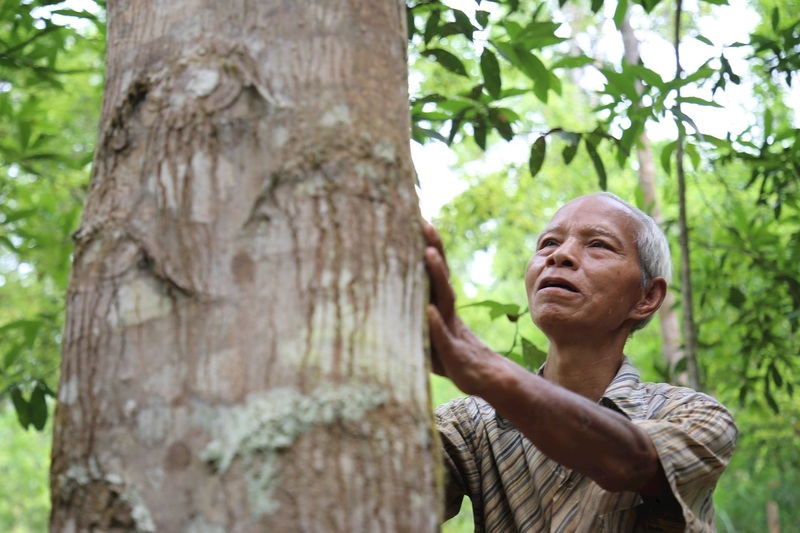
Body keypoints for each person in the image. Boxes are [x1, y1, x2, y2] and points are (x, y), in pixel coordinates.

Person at [423, 192, 737, 532]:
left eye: (599, 245)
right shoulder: (471, 425)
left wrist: (485, 368)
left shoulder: (696, 416)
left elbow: (631, 462)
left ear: (647, 297)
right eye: (548, 243)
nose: (560, 255)